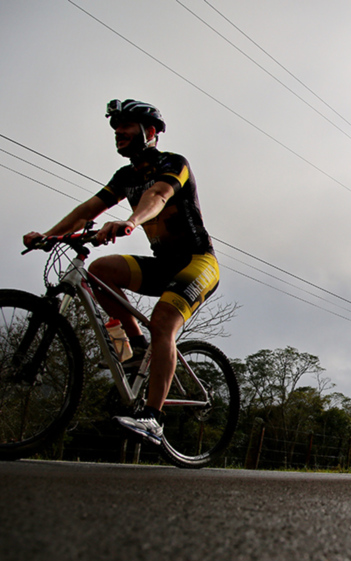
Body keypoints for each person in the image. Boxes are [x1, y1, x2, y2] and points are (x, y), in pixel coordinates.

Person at [23, 99, 219, 445]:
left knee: (163, 323)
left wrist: (130, 221)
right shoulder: (126, 177)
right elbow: (89, 209)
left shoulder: (174, 163)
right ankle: (137, 346)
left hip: (197, 262)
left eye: (126, 126)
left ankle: (153, 418)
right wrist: (50, 236)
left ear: (152, 132)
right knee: (99, 270)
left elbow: (158, 195)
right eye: (115, 128)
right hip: (163, 266)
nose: (118, 133)